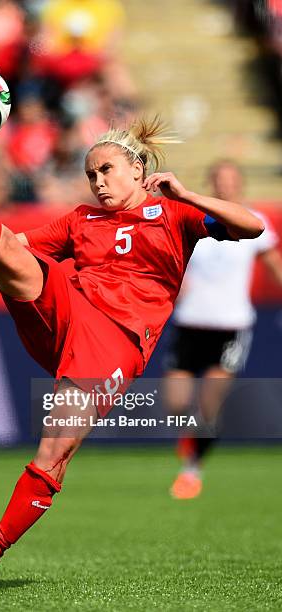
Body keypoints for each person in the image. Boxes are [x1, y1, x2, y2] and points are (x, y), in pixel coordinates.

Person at [0, 103, 264, 594]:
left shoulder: (175, 212)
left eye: (107, 170)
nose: (98, 182)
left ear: (138, 169)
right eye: (91, 175)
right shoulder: (80, 219)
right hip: (67, 308)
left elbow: (252, 226)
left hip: (115, 342)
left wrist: (190, 193)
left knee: (54, 450)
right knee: (11, 253)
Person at [163, 160, 282, 500]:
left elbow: (273, 262)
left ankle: (191, 470)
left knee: (209, 402)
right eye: (219, 179)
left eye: (231, 180)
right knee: (175, 402)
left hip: (231, 325)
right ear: (211, 182)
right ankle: (188, 440)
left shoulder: (252, 224)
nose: (226, 185)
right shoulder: (195, 221)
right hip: (190, 321)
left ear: (240, 184)